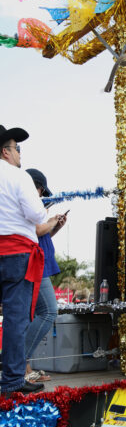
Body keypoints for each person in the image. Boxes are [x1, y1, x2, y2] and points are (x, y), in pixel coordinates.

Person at [0, 125, 48, 395]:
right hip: (16, 253)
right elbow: (37, 215)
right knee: (15, 320)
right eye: (17, 149)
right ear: (6, 152)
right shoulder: (17, 177)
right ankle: (12, 381)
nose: (20, 154)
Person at [24, 168, 67, 382]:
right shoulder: (25, 201)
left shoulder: (32, 204)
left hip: (39, 263)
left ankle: (24, 369)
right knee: (49, 311)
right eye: (41, 189)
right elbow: (35, 231)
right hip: (33, 265)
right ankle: (16, 361)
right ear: (36, 186)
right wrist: (50, 222)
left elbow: (42, 235)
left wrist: (55, 227)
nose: (42, 195)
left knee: (30, 316)